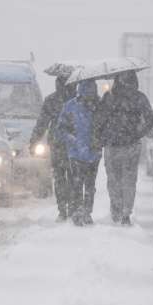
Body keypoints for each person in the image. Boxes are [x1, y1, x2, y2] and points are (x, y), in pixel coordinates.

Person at [93, 71, 153, 225]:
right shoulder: (139, 97)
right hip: (130, 145)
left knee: (114, 181)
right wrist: (138, 133)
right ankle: (125, 213)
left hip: (113, 145)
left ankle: (117, 210)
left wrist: (101, 138)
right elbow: (150, 119)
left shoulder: (109, 97)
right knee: (129, 181)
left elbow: (98, 121)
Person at [55, 80, 101, 226]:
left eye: (92, 89)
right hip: (79, 153)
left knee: (83, 184)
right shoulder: (73, 106)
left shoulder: (74, 106)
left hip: (86, 152)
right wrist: (72, 139)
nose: (90, 93)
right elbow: (61, 129)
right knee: (85, 184)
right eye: (89, 90)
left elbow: (61, 129)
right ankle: (82, 211)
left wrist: (97, 138)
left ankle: (82, 211)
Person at [30, 75, 74, 221]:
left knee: (60, 177)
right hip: (74, 143)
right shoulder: (76, 99)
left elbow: (42, 123)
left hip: (57, 144)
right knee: (73, 176)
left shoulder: (51, 100)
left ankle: (62, 209)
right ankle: (72, 206)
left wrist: (34, 141)